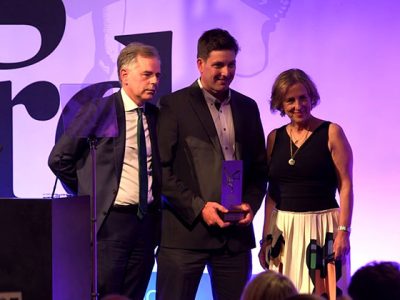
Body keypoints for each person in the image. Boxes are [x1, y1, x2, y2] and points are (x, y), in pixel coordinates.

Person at [156, 28, 268, 300]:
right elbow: (161, 170)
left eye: (231, 65)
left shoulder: (247, 106)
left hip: (235, 237)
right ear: (200, 64)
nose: (225, 72)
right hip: (185, 235)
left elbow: (260, 168)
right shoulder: (174, 104)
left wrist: (250, 204)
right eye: (218, 65)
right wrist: (199, 208)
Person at [48, 42, 162, 299]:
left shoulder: (156, 116)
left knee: (135, 293)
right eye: (147, 74)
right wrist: (91, 191)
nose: (154, 81)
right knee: (106, 294)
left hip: (146, 226)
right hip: (111, 224)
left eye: (157, 75)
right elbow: (59, 159)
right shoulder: (99, 110)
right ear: (124, 75)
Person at [258, 69, 353, 298]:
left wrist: (343, 232)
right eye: (290, 100)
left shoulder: (331, 132)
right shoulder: (274, 138)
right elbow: (272, 193)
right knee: (283, 294)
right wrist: (266, 239)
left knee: (325, 293)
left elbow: (346, 185)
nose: (298, 105)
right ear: (280, 103)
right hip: (284, 229)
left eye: (303, 98)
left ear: (312, 98)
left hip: (323, 229)